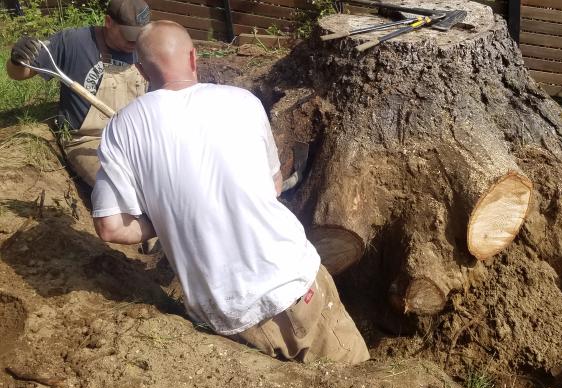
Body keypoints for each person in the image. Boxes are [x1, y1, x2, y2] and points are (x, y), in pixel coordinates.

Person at [90, 20, 369, 365]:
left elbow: (111, 227)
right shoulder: (243, 102)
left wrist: (163, 218)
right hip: (296, 281)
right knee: (356, 373)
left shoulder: (121, 128)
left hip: (230, 317)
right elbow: (275, 186)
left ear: (141, 70)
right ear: (193, 58)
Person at [6, 0, 151, 186]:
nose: (134, 43)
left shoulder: (147, 47)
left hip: (135, 140)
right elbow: (19, 73)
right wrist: (16, 59)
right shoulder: (73, 42)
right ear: (108, 21)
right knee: (120, 188)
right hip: (89, 141)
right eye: (128, 35)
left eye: (139, 35)